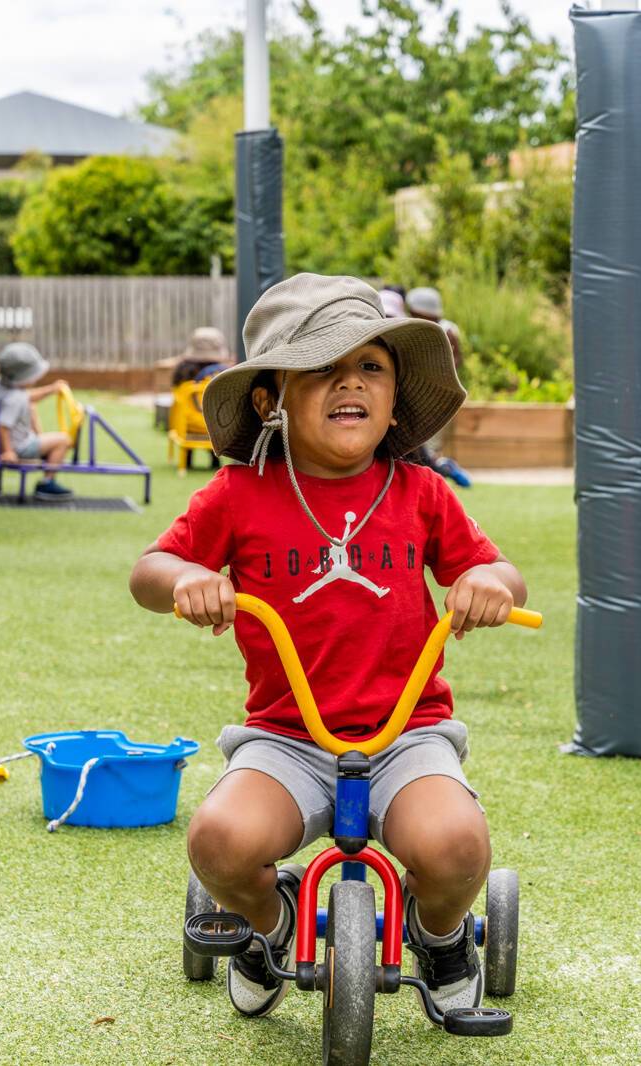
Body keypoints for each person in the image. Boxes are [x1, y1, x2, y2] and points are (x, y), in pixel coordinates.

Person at [129, 274, 527, 1022]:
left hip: (407, 732)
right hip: (289, 736)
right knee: (219, 839)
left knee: (457, 846)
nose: (350, 382)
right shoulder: (239, 493)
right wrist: (186, 579)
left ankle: (439, 937)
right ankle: (267, 930)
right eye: (321, 368)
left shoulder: (420, 491)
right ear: (268, 399)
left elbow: (502, 571)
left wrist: (487, 585)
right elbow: (147, 572)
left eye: (370, 367)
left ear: (393, 393)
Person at [0, 341, 74, 499]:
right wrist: (9, 451)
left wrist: (51, 389)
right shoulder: (16, 399)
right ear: (22, 378)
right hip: (20, 448)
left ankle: (43, 454)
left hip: (10, 443)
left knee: (31, 407)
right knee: (63, 440)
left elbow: (28, 397)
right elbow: (3, 425)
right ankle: (47, 483)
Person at [402, 286, 473, 488]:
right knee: (420, 442)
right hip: (415, 393)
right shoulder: (412, 328)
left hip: (437, 393)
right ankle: (436, 471)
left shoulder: (446, 330)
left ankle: (438, 475)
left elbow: (457, 359)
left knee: (430, 440)